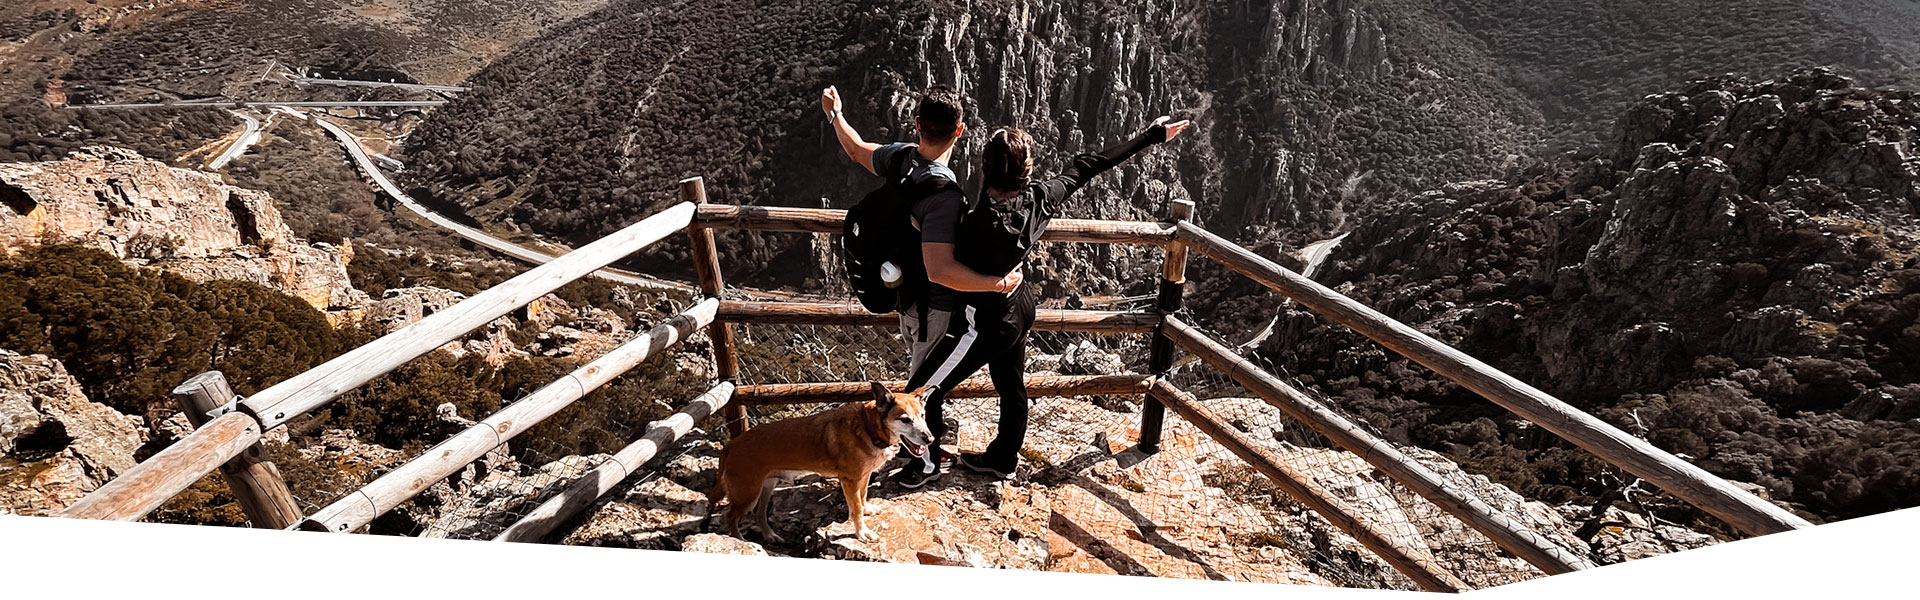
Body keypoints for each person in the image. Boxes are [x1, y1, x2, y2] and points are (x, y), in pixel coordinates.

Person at [897, 116, 1192, 486]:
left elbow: (943, 269)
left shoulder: (974, 224)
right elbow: (1090, 165)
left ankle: (925, 465)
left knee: (922, 392)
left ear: (983, 167)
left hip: (985, 321)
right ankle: (1003, 459)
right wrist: (1151, 136)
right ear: (1027, 170)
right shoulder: (1040, 198)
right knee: (1011, 385)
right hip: (1022, 308)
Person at [822, 83, 1024, 484]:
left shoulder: (900, 158)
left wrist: (835, 114)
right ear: (961, 131)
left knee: (923, 376)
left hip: (903, 294)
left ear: (917, 125)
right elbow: (941, 271)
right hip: (933, 305)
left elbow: (856, 149)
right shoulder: (945, 197)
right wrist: (996, 284)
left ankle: (928, 448)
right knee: (923, 386)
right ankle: (927, 463)